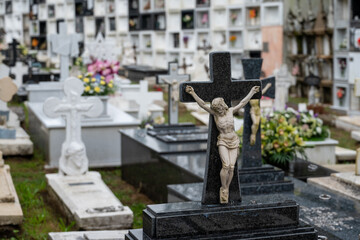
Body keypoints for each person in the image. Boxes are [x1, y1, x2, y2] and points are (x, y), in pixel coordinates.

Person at [186, 85, 260, 203]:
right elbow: (203, 105)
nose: (219, 110)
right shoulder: (215, 115)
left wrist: (251, 92)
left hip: (234, 140)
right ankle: (223, 188)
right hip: (223, 141)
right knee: (225, 165)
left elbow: (242, 102)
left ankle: (227, 187)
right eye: (216, 109)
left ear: (223, 106)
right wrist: (193, 93)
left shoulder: (230, 111)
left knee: (231, 167)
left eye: (219, 108)